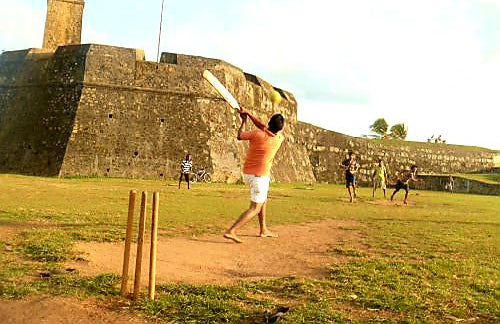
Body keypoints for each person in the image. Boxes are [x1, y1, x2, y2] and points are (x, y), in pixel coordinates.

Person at [224, 108, 285, 243]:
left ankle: (263, 229)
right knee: (255, 208)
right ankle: (231, 231)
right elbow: (264, 127)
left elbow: (240, 135)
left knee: (263, 201)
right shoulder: (279, 138)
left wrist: (245, 120)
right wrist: (249, 115)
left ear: (269, 123)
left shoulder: (257, 134)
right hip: (260, 177)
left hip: (249, 174)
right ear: (279, 129)